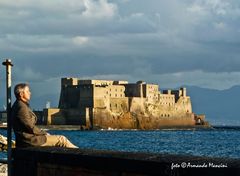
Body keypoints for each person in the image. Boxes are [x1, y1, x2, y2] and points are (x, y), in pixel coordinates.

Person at [11, 83, 78, 148]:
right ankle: (80, 154)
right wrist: (44, 133)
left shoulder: (17, 105)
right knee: (62, 140)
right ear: (21, 94)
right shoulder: (22, 107)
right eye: (27, 91)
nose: (30, 93)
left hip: (25, 140)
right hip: (30, 141)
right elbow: (30, 126)